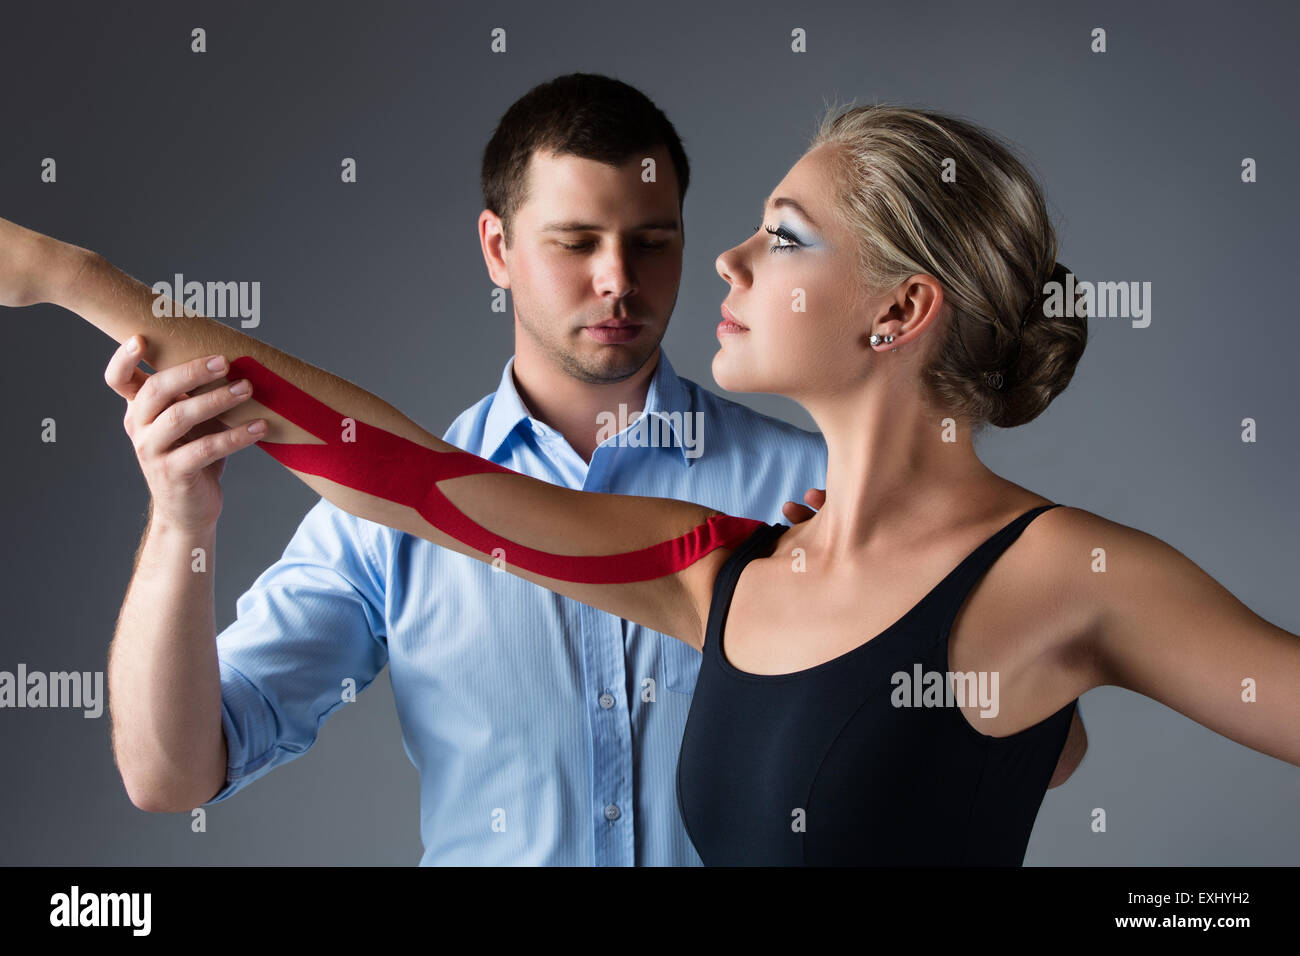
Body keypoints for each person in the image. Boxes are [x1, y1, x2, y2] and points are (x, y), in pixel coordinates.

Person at [8, 101, 1224, 865]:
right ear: (497, 249)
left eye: (657, 238)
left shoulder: (822, 517)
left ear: (899, 310)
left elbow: (1016, 745)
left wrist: (908, 599)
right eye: (573, 240)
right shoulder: (709, 557)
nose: (626, 278)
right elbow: (179, 764)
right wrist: (69, 281)